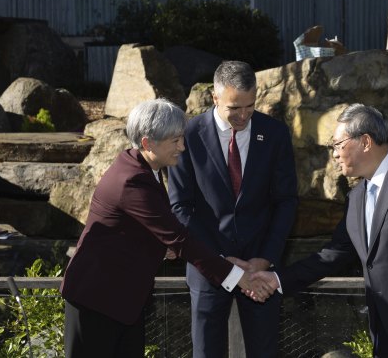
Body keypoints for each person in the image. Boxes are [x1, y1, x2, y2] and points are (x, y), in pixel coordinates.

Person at [248, 103, 388, 357]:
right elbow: (332, 255)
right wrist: (277, 280)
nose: (334, 154)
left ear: (365, 141)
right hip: (385, 333)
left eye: (337, 144)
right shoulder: (356, 197)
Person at [60, 98, 269, 358]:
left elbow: (145, 231)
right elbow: (180, 238)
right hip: (96, 301)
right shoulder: (132, 181)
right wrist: (238, 276)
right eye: (175, 141)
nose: (182, 147)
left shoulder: (143, 167)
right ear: (148, 143)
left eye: (182, 138)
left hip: (122, 302)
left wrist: (163, 249)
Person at [167, 61, 298, 358]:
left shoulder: (275, 133)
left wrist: (264, 258)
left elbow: (287, 201)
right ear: (215, 98)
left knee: (264, 350)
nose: (242, 115)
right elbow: (180, 206)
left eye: (249, 106)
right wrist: (221, 261)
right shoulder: (187, 135)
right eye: (234, 108)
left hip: (259, 267)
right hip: (208, 266)